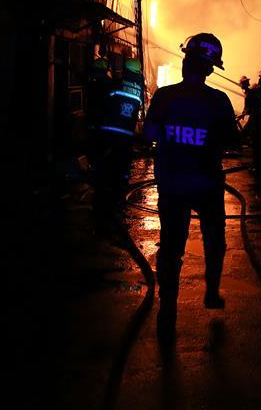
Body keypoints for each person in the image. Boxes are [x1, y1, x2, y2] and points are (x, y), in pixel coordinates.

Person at [143, 33, 239, 342]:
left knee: (171, 248)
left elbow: (149, 134)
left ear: (186, 62)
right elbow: (233, 141)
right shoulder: (219, 101)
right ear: (210, 69)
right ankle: (211, 292)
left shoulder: (164, 96)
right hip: (207, 183)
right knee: (214, 240)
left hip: (172, 183)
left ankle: (167, 309)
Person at [92, 56, 143, 238]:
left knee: (105, 170)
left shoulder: (116, 84)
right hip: (126, 136)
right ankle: (118, 201)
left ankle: (104, 212)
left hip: (110, 132)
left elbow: (104, 104)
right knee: (121, 171)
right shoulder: (139, 89)